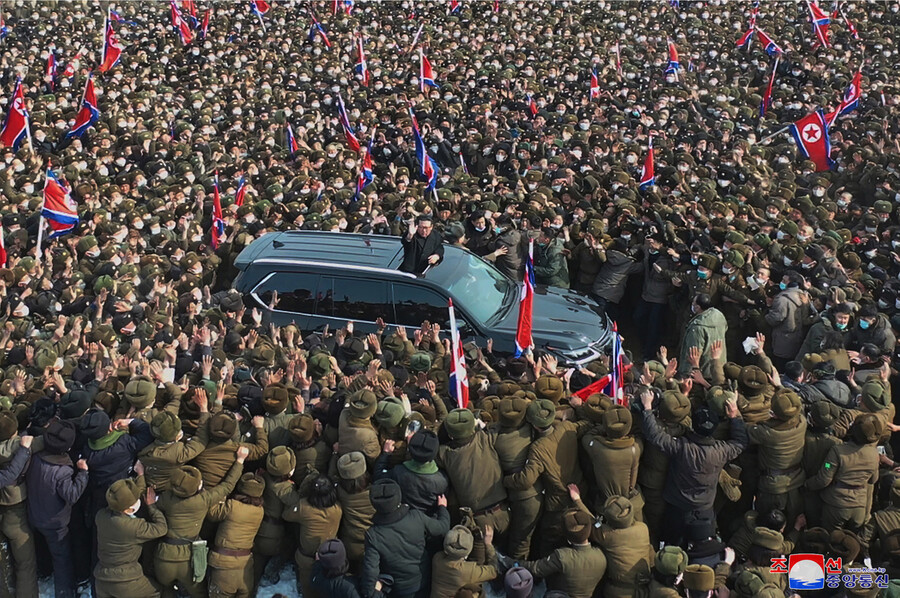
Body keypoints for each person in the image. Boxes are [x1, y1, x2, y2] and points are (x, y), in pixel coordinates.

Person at [640, 388, 748, 545]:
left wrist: (647, 408)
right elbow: (740, 442)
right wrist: (734, 416)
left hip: (677, 506)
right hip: (705, 508)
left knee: (673, 544)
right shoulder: (721, 451)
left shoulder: (682, 447)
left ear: (693, 426)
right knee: (703, 545)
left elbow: (655, 435)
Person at [24, 420, 88, 598]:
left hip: (34, 514)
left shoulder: (34, 457)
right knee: (61, 559)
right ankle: (65, 592)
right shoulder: (63, 471)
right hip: (55, 523)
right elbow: (72, 495)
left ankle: (44, 573)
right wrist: (83, 473)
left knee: (41, 548)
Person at [361, 479, 450, 598]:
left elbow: (370, 571)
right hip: (425, 580)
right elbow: (443, 528)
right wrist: (442, 508)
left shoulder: (373, 535)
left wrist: (374, 592)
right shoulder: (416, 517)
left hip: (400, 590)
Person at [94, 477, 168, 598]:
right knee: (160, 591)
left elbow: (114, 508)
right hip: (126, 583)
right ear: (129, 509)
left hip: (102, 580)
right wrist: (152, 506)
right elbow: (161, 528)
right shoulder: (133, 527)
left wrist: (140, 476)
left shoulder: (100, 516)